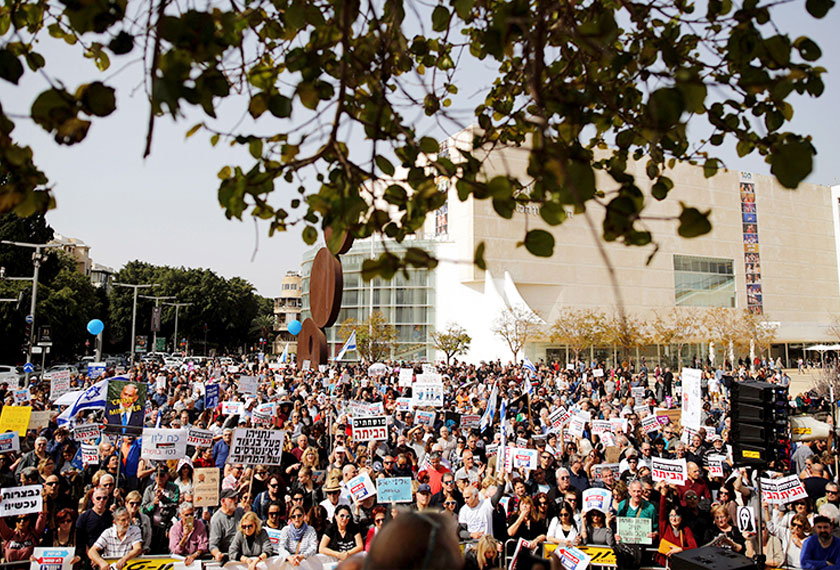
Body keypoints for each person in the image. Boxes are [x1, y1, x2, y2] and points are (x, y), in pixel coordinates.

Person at [209, 488, 244, 562]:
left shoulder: (240, 511)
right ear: (223, 501)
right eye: (232, 498)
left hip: (243, 553)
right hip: (228, 557)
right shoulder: (216, 519)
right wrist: (217, 554)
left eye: (236, 497)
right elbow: (213, 545)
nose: (235, 500)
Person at [75, 487, 113, 553]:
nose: (101, 500)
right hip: (88, 554)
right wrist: (92, 555)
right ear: (93, 500)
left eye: (104, 498)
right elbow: (80, 539)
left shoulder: (112, 516)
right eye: (98, 498)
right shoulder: (84, 517)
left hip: (108, 553)